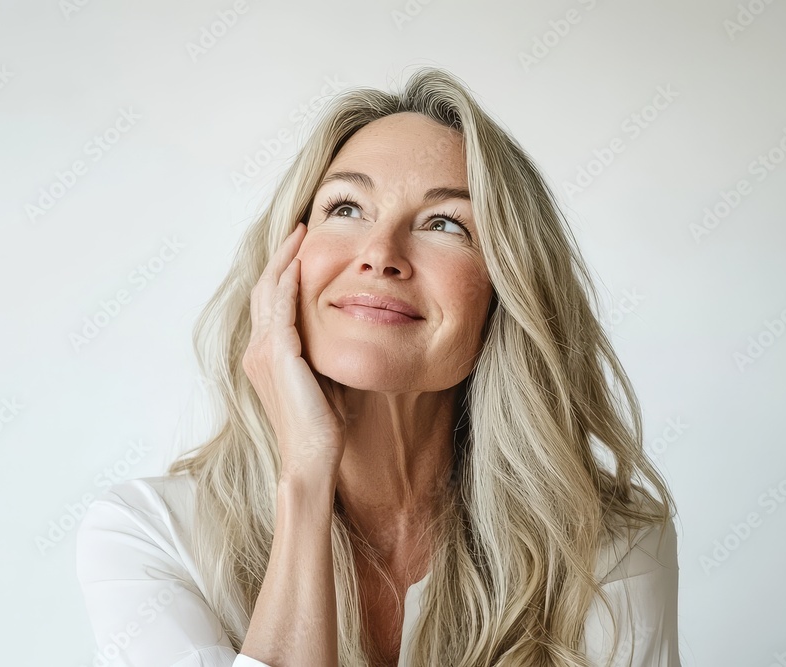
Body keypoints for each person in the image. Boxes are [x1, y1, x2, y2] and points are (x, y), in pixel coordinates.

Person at [76, 67, 681, 667]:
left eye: (445, 223)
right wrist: (306, 480)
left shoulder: (613, 552)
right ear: (286, 258)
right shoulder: (147, 537)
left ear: (506, 293)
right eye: (346, 207)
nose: (380, 254)